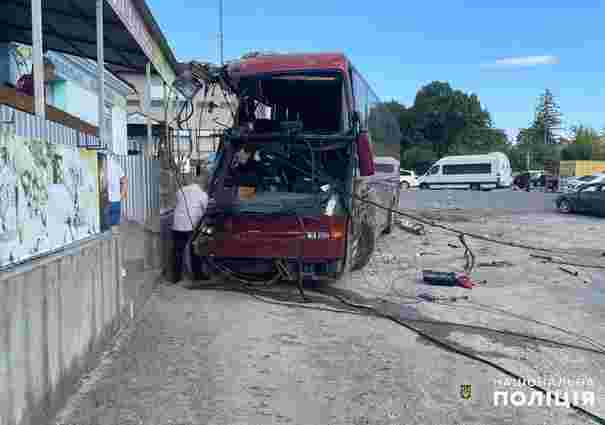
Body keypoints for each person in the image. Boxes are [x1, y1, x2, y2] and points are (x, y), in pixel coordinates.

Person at [172, 173, 208, 285]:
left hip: (177, 225)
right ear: (202, 184)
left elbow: (178, 203)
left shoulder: (180, 190)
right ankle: (197, 275)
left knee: (178, 251)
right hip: (192, 225)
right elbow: (206, 211)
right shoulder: (203, 195)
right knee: (195, 251)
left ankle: (176, 277)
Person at [105, 153, 128, 277]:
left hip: (105, 203)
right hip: (115, 203)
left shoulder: (100, 160)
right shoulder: (115, 163)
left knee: (105, 236)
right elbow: (125, 180)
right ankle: (119, 267)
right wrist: (121, 196)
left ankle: (110, 267)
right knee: (115, 234)